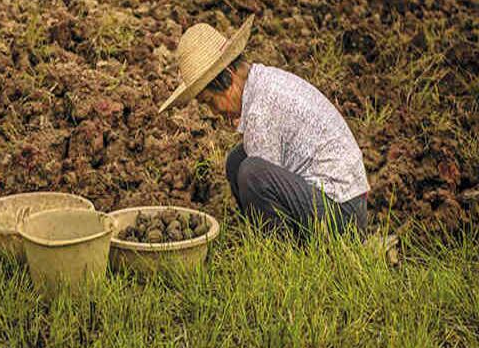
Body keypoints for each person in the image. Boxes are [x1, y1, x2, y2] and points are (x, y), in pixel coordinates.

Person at [158, 15, 369, 238]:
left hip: (343, 216)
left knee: (252, 174)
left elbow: (262, 181)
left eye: (211, 101)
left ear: (228, 79)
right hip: (338, 203)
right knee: (237, 160)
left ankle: (281, 255)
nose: (214, 112)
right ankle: (276, 243)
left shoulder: (262, 108)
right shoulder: (262, 82)